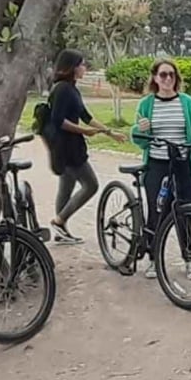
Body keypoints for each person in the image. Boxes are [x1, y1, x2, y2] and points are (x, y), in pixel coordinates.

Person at [130, 59, 191, 279]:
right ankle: (153, 259)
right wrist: (140, 129)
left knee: (186, 211)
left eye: (171, 75)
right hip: (157, 163)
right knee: (157, 212)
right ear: (155, 78)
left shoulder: (186, 102)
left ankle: (189, 259)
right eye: (163, 75)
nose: (167, 79)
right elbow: (138, 138)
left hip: (182, 163)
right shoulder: (146, 104)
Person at [43, 49, 126, 243]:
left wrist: (109, 132)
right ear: (72, 67)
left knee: (66, 187)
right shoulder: (62, 89)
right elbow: (58, 120)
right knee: (91, 185)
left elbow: (86, 116)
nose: (84, 68)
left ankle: (60, 231)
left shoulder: (72, 89)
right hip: (67, 147)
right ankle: (59, 221)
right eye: (81, 64)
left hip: (69, 146)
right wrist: (83, 131)